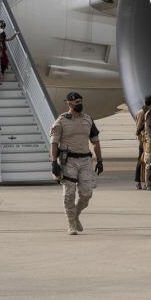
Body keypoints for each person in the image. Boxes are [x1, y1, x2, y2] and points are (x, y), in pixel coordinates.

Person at [49, 91, 102, 235]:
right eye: (77, 102)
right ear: (69, 103)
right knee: (69, 194)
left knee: (87, 194)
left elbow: (95, 142)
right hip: (69, 161)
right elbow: (54, 144)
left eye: (81, 101)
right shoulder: (60, 121)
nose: (80, 104)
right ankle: (71, 223)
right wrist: (54, 162)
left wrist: (100, 160)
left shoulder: (88, 120)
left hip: (85, 161)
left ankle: (76, 214)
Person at [133, 95, 151, 189]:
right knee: (140, 160)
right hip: (143, 141)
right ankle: (137, 181)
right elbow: (138, 128)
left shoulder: (149, 112)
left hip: (147, 139)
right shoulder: (142, 113)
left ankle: (144, 180)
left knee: (147, 161)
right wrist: (141, 139)